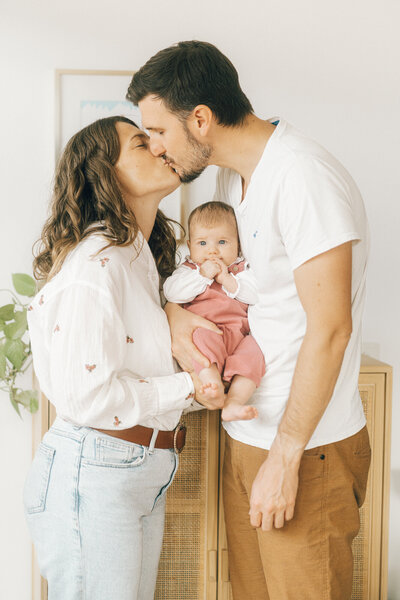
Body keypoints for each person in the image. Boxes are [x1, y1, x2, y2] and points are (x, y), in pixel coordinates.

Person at [127, 41, 371, 599]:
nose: (156, 148)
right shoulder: (229, 184)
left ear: (201, 119)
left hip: (307, 448)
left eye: (159, 131)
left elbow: (331, 329)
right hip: (250, 432)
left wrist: (285, 458)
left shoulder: (304, 177)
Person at [23, 115, 222, 600]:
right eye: (140, 143)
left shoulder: (140, 256)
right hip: (95, 471)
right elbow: (89, 395)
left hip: (132, 470)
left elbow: (144, 364)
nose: (158, 147)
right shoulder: (99, 263)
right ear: (107, 174)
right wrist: (191, 387)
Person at [163, 200, 265, 421]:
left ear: (237, 244)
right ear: (189, 246)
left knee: (256, 354)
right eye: (202, 243)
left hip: (239, 335)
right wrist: (202, 276)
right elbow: (172, 293)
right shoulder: (189, 271)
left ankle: (235, 402)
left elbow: (256, 295)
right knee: (200, 341)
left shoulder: (240, 271)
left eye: (222, 242)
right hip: (208, 331)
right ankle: (211, 383)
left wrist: (228, 280)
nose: (212, 251)